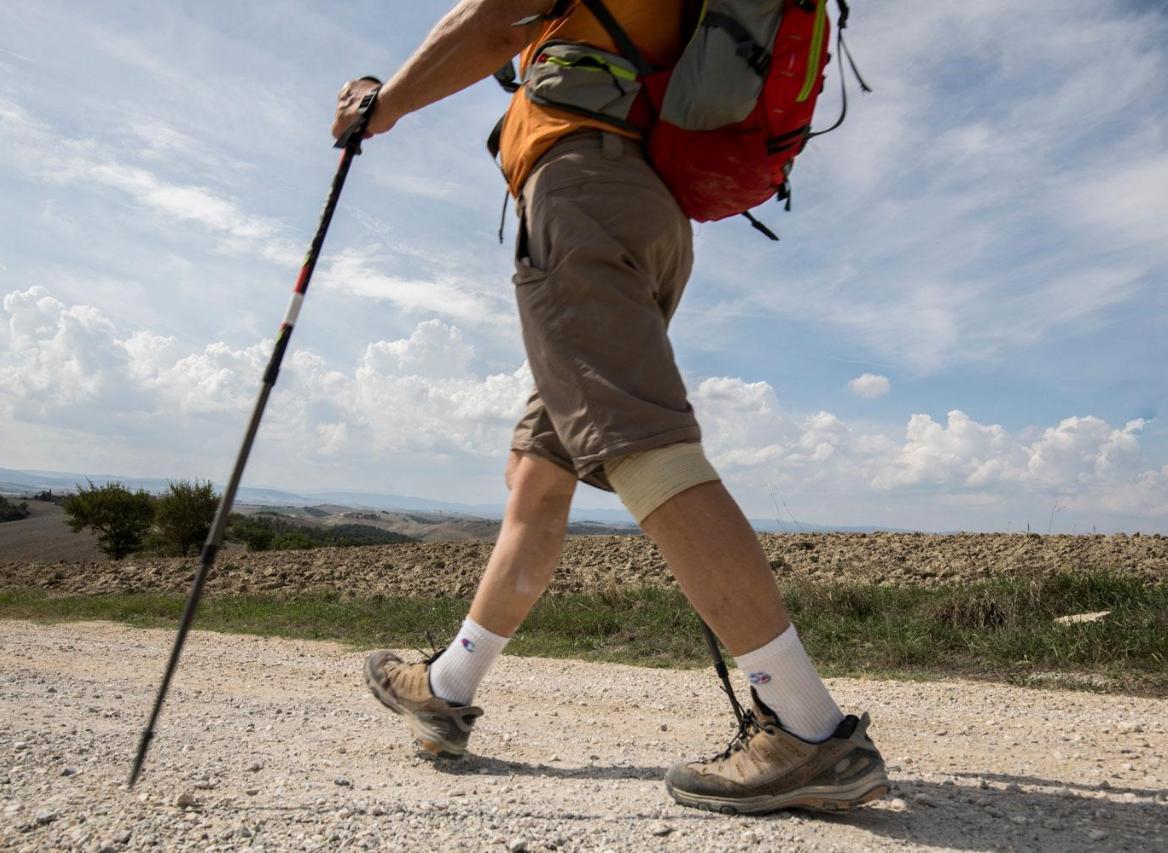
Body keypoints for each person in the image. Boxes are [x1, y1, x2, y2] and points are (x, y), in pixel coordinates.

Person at [334, 0, 887, 816]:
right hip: (648, 207)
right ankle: (446, 688)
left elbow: (487, 21)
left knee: (640, 447)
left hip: (582, 187)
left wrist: (379, 108)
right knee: (541, 468)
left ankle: (810, 729)